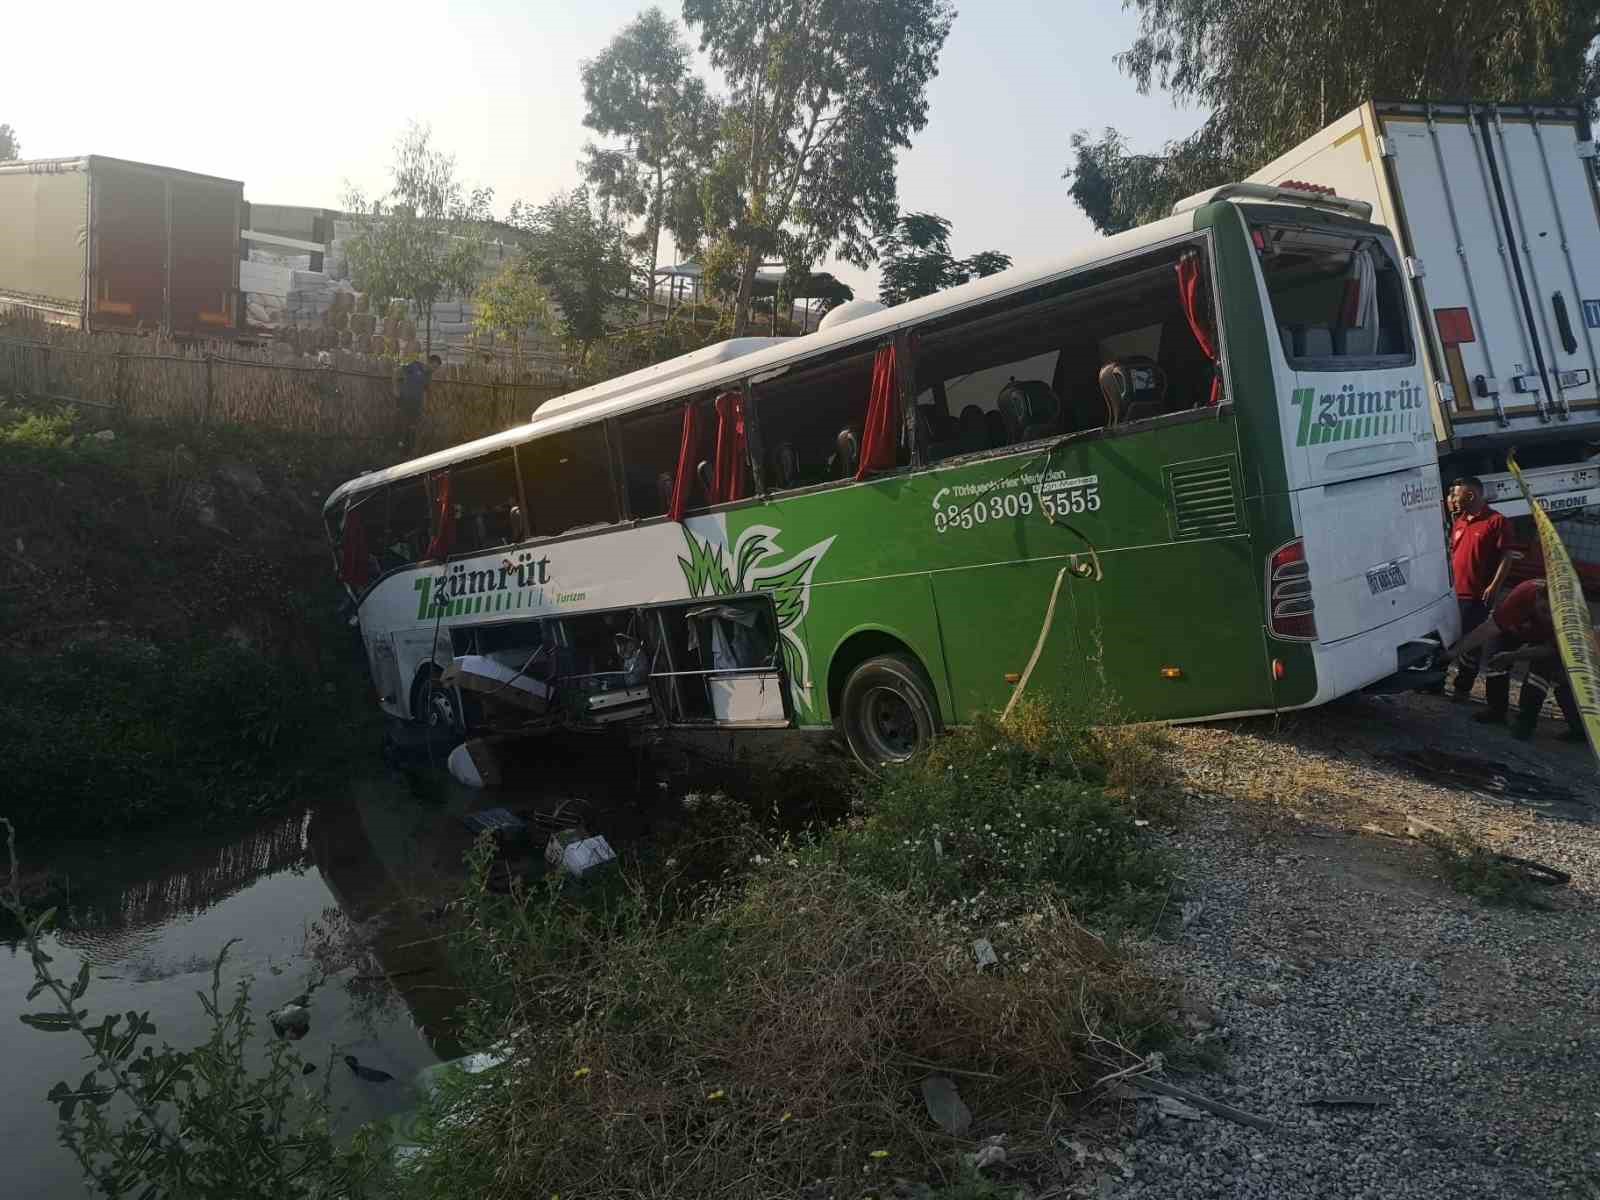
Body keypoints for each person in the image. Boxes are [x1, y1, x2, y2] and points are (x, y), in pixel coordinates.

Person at [1447, 578, 1585, 742]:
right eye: (1544, 610)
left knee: (1539, 676)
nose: (1548, 616)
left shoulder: (1570, 613)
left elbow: (1548, 651)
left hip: (1546, 642)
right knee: (1495, 657)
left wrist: (1512, 656)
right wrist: (1454, 652)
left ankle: (1526, 722)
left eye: (1552, 612)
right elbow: (1489, 628)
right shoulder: (1523, 594)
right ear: (1537, 598)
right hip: (1516, 629)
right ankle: (1496, 710)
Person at [1445, 475, 1510, 700]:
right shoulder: (1460, 520)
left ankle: (1462, 688)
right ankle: (1435, 681)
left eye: (1456, 493)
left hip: (1475, 595)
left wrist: (1494, 586)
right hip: (1452, 592)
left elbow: (1507, 556)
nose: (1453, 497)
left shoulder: (1496, 521)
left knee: (1471, 641)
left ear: (1470, 494)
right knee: (1445, 637)